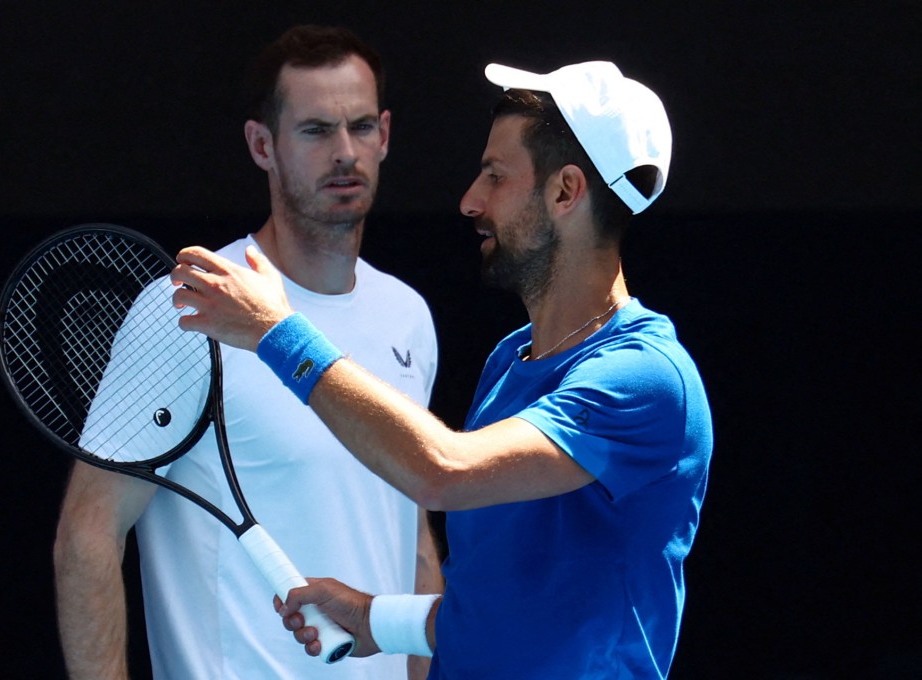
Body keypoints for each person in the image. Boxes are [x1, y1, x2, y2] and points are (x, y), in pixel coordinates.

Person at [171, 60, 713, 678]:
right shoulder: (511, 361)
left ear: (565, 191)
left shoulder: (646, 377)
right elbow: (509, 603)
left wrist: (276, 330)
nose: (469, 201)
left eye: (495, 175)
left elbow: (443, 471)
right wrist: (375, 619)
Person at [52, 25, 442, 680]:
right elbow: (87, 538)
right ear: (263, 145)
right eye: (316, 130)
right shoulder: (191, 306)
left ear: (386, 134)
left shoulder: (409, 316)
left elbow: (410, 534)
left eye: (361, 126)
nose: (345, 152)